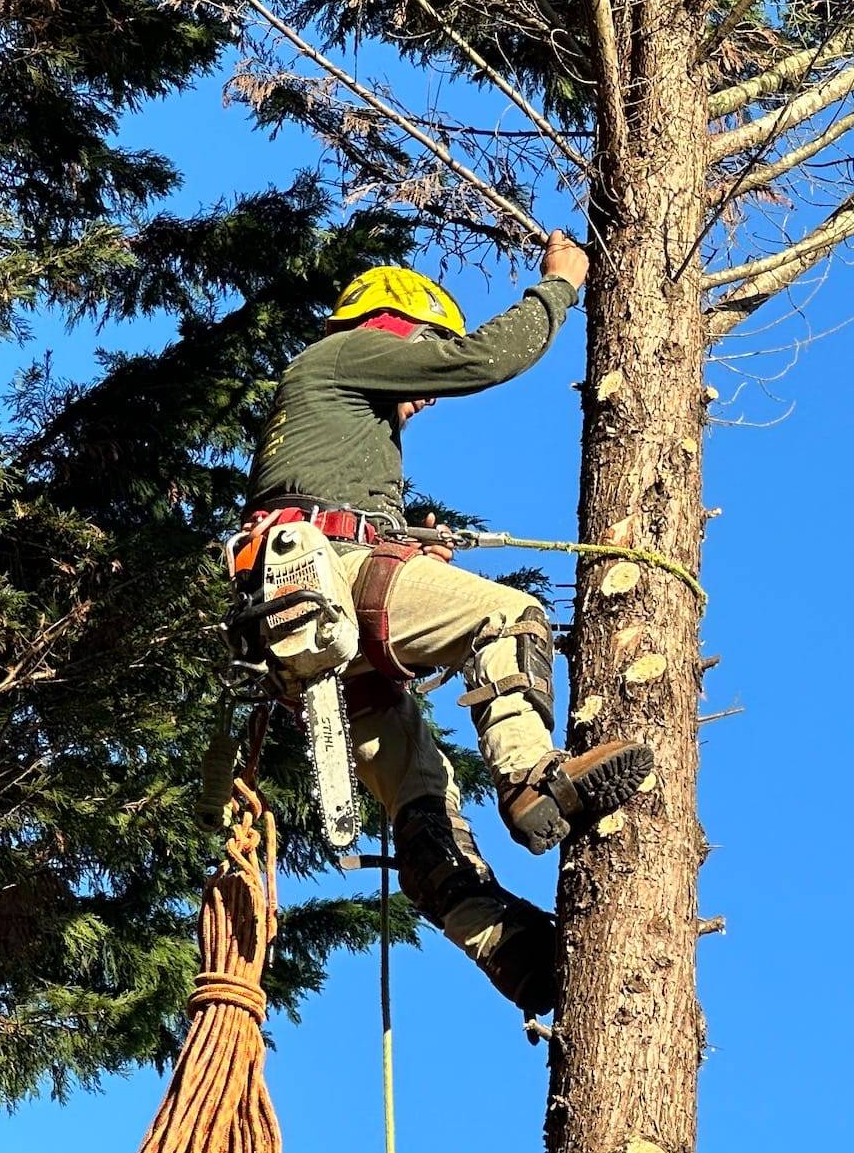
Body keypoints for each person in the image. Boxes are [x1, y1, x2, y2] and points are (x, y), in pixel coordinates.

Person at [239, 231, 654, 1014]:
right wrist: (558, 287)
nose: (424, 389)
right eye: (426, 350)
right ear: (394, 325)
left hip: (308, 626)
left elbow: (325, 501)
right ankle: (533, 777)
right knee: (511, 615)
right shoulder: (346, 353)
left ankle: (517, 956)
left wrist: (404, 541)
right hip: (333, 579)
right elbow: (481, 363)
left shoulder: (332, 415)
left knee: (422, 799)